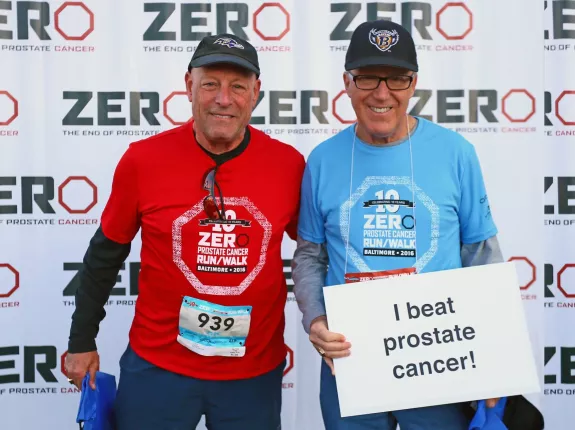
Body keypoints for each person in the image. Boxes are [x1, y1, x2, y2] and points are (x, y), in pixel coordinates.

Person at [64, 33, 305, 429]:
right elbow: (105, 254)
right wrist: (80, 342)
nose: (223, 98)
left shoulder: (289, 166)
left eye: (238, 86)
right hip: (158, 369)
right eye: (210, 83)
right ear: (188, 85)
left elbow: (317, 254)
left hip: (252, 374)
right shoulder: (143, 161)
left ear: (257, 93)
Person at [292, 20, 504, 430]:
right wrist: (316, 321)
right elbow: (309, 256)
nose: (382, 93)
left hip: (438, 363)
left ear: (414, 84)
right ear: (347, 83)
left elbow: (483, 257)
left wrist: (492, 357)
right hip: (351, 364)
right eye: (368, 77)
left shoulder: (456, 153)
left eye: (397, 79)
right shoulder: (322, 160)